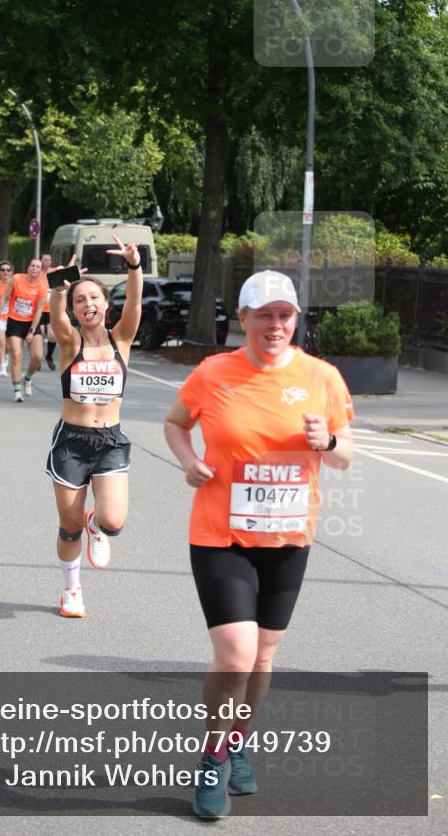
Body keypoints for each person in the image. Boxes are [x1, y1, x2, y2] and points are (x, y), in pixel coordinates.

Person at [163, 270, 355, 819]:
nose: (276, 325)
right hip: (220, 534)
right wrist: (189, 461)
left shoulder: (321, 377)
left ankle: (237, 740)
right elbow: (175, 424)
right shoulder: (213, 373)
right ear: (243, 318)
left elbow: (345, 455)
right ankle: (213, 758)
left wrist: (329, 441)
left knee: (264, 655)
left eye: (285, 315)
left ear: (296, 319)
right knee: (236, 654)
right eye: (264, 315)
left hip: (288, 537)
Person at [46, 238, 142, 618]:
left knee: (113, 521)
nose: (87, 304)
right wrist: (58, 292)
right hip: (72, 442)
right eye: (79, 300)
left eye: (94, 298)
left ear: (105, 304)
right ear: (74, 309)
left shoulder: (122, 339)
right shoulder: (70, 342)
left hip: (110, 441)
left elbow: (135, 302)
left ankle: (97, 524)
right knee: (69, 525)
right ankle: (72, 591)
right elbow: (57, 319)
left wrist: (134, 266)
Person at [1, 258, 49, 402]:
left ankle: (27, 378)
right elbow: (5, 297)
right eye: (32, 265)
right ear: (28, 267)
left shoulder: (42, 287)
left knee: (37, 357)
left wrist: (32, 331)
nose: (34, 268)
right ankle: (17, 391)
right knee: (16, 355)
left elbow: (39, 311)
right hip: (15, 322)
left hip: (32, 323)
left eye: (38, 267)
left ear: (41, 271)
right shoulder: (16, 279)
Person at [40, 252, 58, 370]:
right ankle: (37, 358)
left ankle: (49, 356)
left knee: (52, 336)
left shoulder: (54, 272)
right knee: (40, 335)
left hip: (51, 309)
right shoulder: (37, 273)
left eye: (49, 260)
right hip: (39, 310)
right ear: (41, 261)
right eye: (45, 260)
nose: (47, 262)